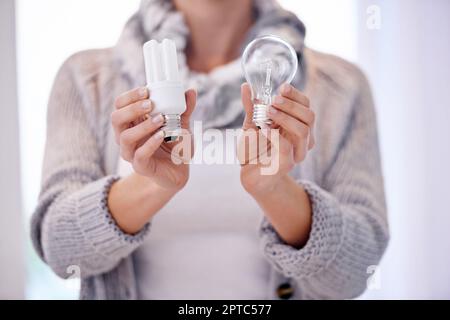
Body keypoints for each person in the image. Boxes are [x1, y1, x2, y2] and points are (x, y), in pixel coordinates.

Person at [31, 0, 389, 299]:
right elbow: (61, 252)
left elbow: (355, 273)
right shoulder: (86, 78)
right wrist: (152, 184)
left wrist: (275, 188)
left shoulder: (341, 87)